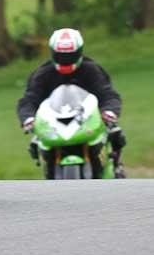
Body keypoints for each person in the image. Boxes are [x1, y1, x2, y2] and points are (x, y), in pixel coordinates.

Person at [17, 27, 126, 178]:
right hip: (55, 122)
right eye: (61, 55)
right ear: (53, 52)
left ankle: (116, 165)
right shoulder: (43, 74)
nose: (66, 60)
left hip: (86, 119)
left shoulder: (91, 70)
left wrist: (109, 110)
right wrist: (28, 118)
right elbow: (30, 99)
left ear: (79, 52)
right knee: (36, 141)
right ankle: (49, 168)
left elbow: (107, 93)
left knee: (115, 132)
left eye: (70, 55)